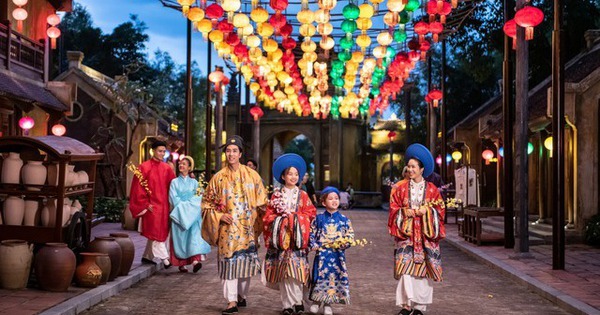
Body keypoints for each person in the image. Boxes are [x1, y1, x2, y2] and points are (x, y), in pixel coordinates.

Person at [201, 135, 268, 315]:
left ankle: (241, 295)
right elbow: (206, 204)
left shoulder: (252, 175)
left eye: (234, 151)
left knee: (245, 268)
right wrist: (219, 215)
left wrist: (266, 210)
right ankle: (231, 301)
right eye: (228, 151)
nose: (231, 154)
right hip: (227, 231)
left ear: (240, 154)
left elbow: (263, 201)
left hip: (247, 229)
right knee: (229, 264)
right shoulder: (218, 178)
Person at [388, 144, 446, 315]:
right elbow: (393, 208)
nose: (410, 169)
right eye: (409, 166)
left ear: (422, 169)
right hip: (407, 234)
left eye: (414, 167)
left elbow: (440, 210)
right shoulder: (400, 188)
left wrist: (427, 211)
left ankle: (420, 307)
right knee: (405, 269)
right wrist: (407, 212)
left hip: (426, 236)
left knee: (423, 272)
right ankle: (406, 306)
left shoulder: (433, 190)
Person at [263, 153, 317, 315]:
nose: (293, 177)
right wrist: (280, 220)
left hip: (297, 240)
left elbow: (310, 214)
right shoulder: (276, 195)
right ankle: (287, 304)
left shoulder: (303, 195)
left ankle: (298, 301)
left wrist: (294, 219)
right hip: (281, 241)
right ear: (283, 176)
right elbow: (268, 217)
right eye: (290, 174)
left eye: (296, 174)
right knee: (284, 273)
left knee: (297, 272)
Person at [129, 140, 176, 268]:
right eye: (160, 151)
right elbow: (137, 188)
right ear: (153, 151)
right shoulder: (143, 167)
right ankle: (166, 260)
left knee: (159, 232)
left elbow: (173, 187)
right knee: (156, 233)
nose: (162, 154)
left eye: (163, 151)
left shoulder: (167, 168)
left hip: (164, 206)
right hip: (152, 206)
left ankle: (147, 256)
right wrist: (144, 203)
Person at [308, 186, 354, 315]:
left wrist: (345, 243)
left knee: (334, 278)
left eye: (336, 198)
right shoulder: (318, 219)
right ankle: (316, 301)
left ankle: (328, 304)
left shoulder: (344, 220)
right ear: (323, 202)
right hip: (322, 255)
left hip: (337, 256)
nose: (334, 201)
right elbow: (311, 234)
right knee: (319, 277)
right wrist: (314, 244)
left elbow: (350, 236)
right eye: (330, 198)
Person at [168, 156, 211, 273]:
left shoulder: (195, 183)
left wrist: (190, 208)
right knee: (180, 240)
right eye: (180, 164)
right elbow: (173, 198)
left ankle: (195, 261)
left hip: (192, 215)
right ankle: (181, 264)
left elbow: (198, 197)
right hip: (180, 214)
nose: (181, 166)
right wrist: (184, 208)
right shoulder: (174, 182)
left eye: (184, 164)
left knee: (193, 238)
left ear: (189, 167)